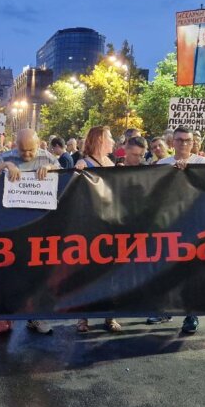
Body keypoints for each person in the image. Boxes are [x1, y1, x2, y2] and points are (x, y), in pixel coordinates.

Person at [0, 128, 60, 335]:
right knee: (8, 272)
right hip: (10, 225)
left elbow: (65, 173)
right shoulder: (8, 156)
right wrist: (6, 165)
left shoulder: (46, 157)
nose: (26, 155)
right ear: (16, 145)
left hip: (38, 225)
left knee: (38, 272)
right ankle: (6, 316)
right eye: (23, 151)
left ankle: (36, 317)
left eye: (31, 150)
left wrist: (52, 168)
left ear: (39, 144)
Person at [149, 126, 205, 333]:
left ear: (193, 142)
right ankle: (164, 309)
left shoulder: (202, 162)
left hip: (194, 223)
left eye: (188, 140)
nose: (184, 143)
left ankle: (191, 314)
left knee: (191, 270)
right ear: (172, 142)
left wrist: (188, 174)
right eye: (180, 140)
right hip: (169, 223)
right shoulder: (162, 163)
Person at [73, 126, 125, 333]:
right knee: (86, 273)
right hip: (89, 226)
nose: (113, 141)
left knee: (109, 273)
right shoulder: (84, 163)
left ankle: (109, 316)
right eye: (110, 137)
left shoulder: (111, 164)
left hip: (109, 225)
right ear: (99, 140)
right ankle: (82, 318)